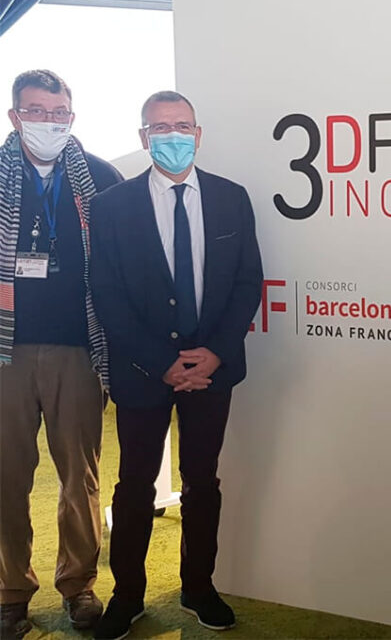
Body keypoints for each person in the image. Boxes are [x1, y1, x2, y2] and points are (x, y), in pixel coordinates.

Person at [89, 90, 263, 639]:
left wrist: (216, 351)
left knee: (202, 481)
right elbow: (106, 294)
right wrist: (161, 362)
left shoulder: (232, 198)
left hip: (212, 368)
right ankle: (127, 596)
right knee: (135, 485)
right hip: (143, 372)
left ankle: (198, 587)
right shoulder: (112, 206)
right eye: (160, 127)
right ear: (144, 137)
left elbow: (247, 282)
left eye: (182, 125)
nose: (173, 135)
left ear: (198, 133)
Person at [0, 69, 123, 638]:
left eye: (57, 113)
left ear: (70, 117)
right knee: (6, 477)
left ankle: (79, 585)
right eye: (35, 111)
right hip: (6, 352)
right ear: (14, 116)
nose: (48, 122)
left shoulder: (100, 177)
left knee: (81, 478)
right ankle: (10, 592)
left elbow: (121, 263)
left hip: (78, 349)